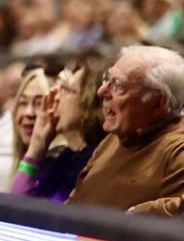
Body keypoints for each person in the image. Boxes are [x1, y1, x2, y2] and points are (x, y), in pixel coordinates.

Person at [69, 45, 184, 211]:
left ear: (158, 103)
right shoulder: (112, 140)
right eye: (106, 79)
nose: (101, 91)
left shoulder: (178, 152)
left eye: (118, 85)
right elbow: (74, 205)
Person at [12, 60, 106, 202]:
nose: (55, 98)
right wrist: (36, 147)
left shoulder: (93, 162)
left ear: (88, 104)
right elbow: (16, 208)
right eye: (23, 102)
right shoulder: (66, 157)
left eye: (66, 90)